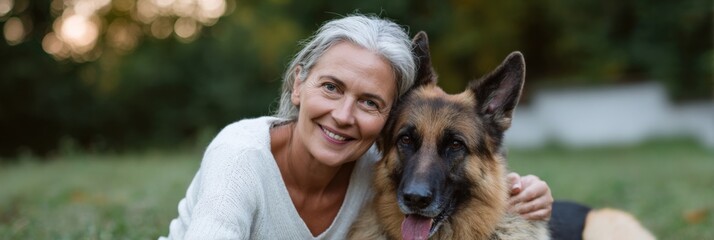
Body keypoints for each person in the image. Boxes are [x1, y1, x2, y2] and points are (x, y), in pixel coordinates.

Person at [159, 14, 552, 239]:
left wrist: (529, 192)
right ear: (298, 85)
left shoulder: (374, 170)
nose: (344, 116)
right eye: (331, 87)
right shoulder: (240, 157)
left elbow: (484, 185)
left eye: (369, 102)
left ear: (386, 115)